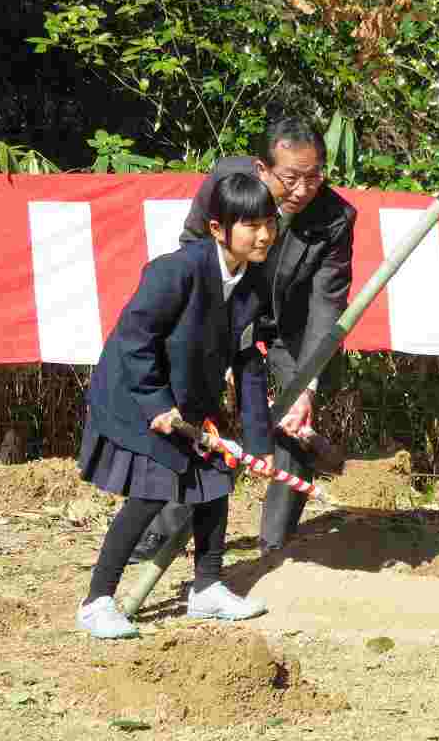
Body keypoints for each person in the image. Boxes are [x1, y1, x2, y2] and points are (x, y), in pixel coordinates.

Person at [130, 116, 356, 562]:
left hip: (290, 328)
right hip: (224, 307)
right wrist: (215, 341)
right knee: (194, 417)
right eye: (291, 178)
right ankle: (161, 530)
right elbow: (193, 248)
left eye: (315, 177)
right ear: (262, 168)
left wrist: (305, 385)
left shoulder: (336, 218)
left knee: (296, 419)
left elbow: (326, 303)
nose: (303, 190)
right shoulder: (225, 182)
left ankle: (276, 544)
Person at [75, 172, 278, 639]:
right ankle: (97, 600)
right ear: (216, 228)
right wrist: (156, 403)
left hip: (187, 401)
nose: (264, 234)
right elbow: (133, 340)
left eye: (268, 222)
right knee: (151, 491)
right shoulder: (176, 270)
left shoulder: (255, 283)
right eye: (250, 225)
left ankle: (206, 588)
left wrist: (259, 441)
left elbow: (249, 365)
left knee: (215, 478)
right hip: (135, 392)